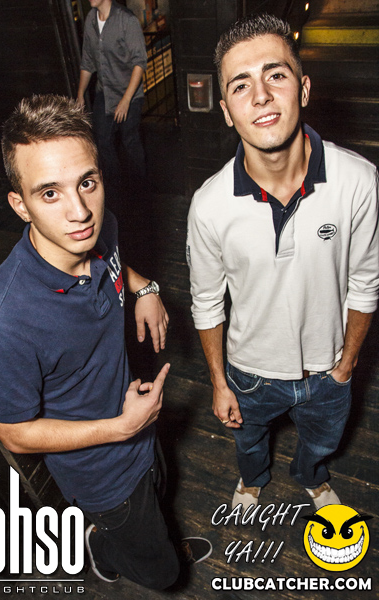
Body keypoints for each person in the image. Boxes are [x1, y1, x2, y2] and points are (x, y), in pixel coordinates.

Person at [0, 95, 211, 589]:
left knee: (160, 491)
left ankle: (138, 541)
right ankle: (102, 548)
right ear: (19, 205)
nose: (80, 211)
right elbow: (13, 433)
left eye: (87, 182)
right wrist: (121, 428)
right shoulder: (4, 323)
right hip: (102, 473)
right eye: (50, 193)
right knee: (165, 573)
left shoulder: (101, 230)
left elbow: (110, 261)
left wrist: (144, 287)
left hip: (138, 424)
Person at [187, 14, 379, 512]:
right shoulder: (208, 205)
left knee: (321, 442)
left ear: (304, 88)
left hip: (328, 368)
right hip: (248, 371)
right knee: (248, 443)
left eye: (275, 74)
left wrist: (346, 366)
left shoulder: (359, 180)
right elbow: (206, 302)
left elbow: (365, 283)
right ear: (226, 111)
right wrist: (219, 381)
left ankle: (311, 475)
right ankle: (253, 480)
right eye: (240, 85)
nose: (261, 95)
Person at [77, 0, 148, 204]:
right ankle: (116, 191)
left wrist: (126, 100)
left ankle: (141, 192)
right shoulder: (91, 20)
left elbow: (139, 63)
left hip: (129, 94)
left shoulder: (126, 20)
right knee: (102, 142)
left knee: (129, 140)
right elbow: (87, 62)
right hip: (105, 93)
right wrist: (80, 93)